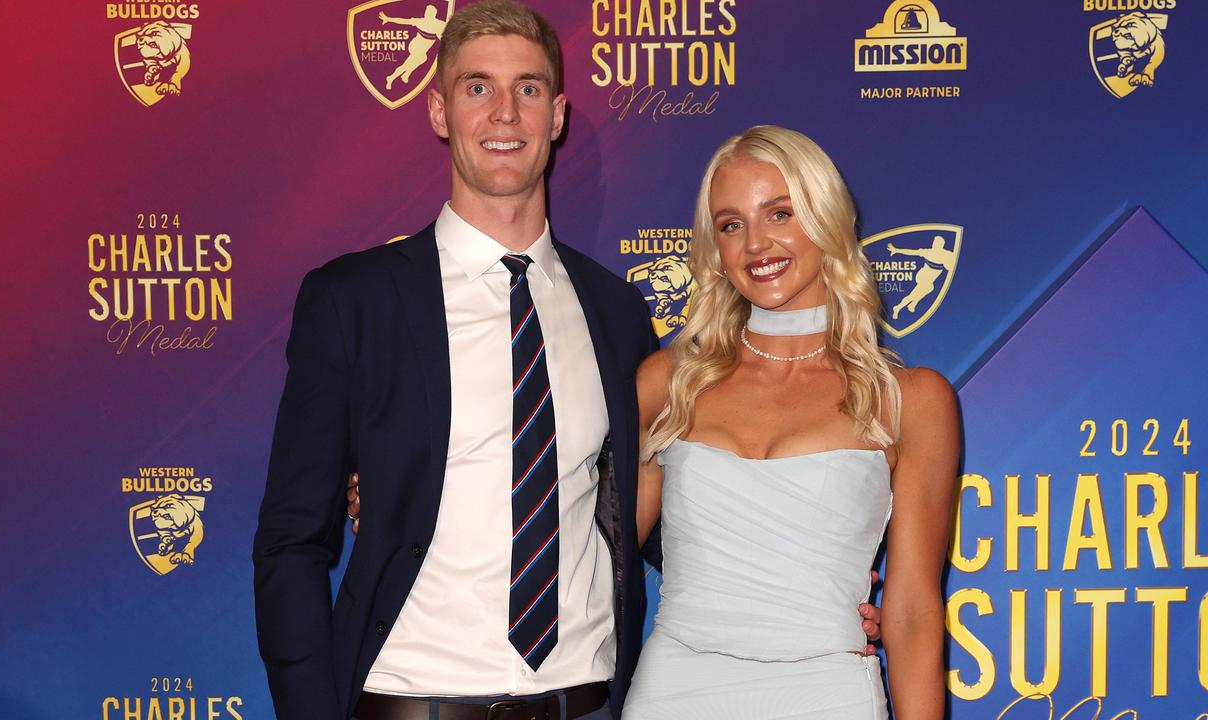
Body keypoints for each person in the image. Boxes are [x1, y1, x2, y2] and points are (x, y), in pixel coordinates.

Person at [259, 3, 881, 719]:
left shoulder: (616, 315)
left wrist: (809, 594)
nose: (504, 113)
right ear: (437, 111)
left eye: (527, 89)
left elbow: (655, 518)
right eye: (476, 88)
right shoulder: (354, 302)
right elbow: (290, 541)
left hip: (583, 704)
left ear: (556, 115)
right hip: (411, 702)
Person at [623, 126, 958, 719]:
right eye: (731, 224)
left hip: (828, 694)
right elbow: (599, 561)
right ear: (715, 251)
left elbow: (910, 611)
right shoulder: (667, 383)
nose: (756, 243)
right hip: (674, 691)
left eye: (779, 213)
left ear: (825, 217)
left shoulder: (910, 401)